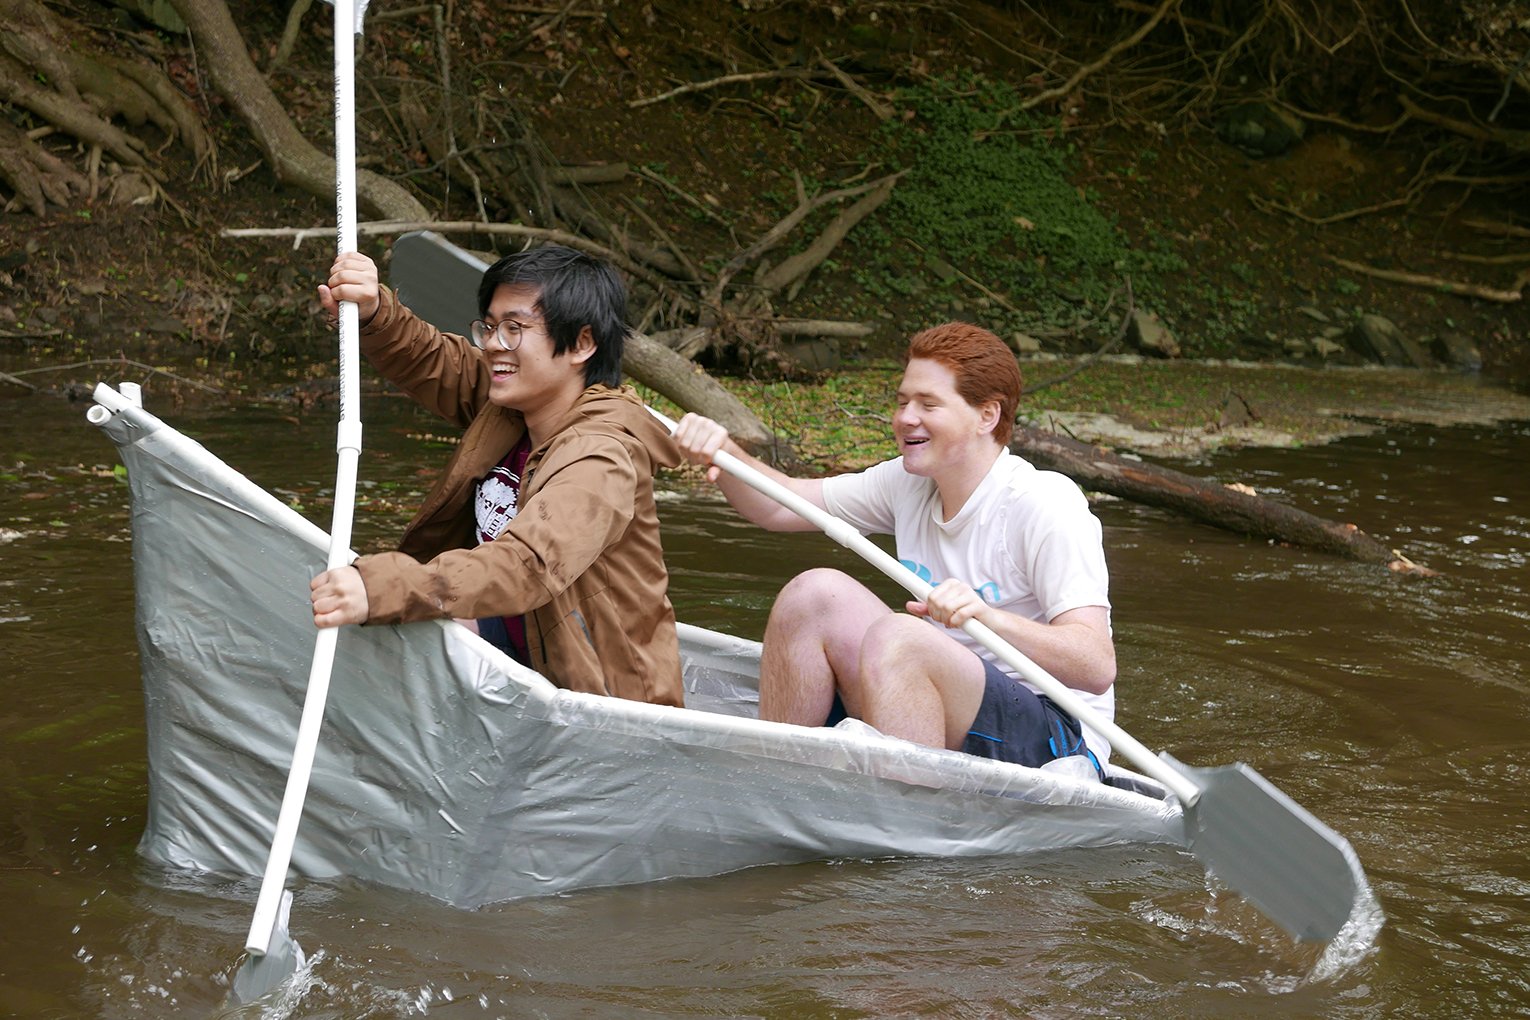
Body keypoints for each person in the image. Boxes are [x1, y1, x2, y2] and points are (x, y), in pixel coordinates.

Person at [672, 322, 1115, 771]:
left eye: (928, 404)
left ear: (987, 416)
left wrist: (989, 618)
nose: (905, 418)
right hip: (936, 698)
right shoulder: (908, 482)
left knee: (902, 636)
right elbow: (780, 505)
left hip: (1056, 734)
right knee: (813, 594)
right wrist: (723, 453)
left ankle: (907, 827)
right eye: (903, 401)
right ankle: (775, 779)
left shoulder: (1044, 504)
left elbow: (1095, 666)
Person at [309, 245, 685, 707]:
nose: (491, 344)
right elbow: (432, 360)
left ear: (582, 344)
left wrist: (389, 584)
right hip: (514, 638)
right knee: (419, 620)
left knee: (408, 604)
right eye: (489, 326)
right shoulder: (514, 401)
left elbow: (526, 565)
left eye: (515, 329)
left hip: (595, 691)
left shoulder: (601, 455)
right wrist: (373, 313)